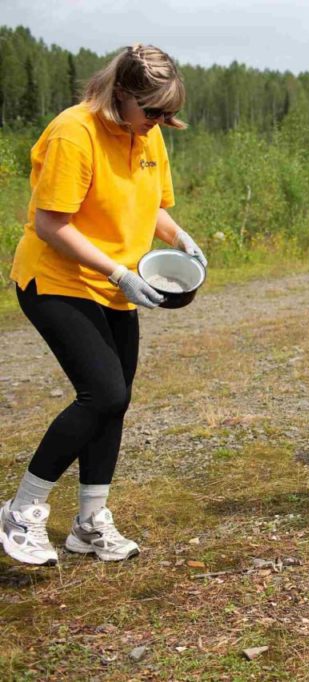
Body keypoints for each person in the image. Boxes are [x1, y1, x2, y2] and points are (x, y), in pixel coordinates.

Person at [1, 44, 206, 565]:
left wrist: (182, 238)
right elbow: (51, 224)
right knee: (102, 393)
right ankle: (21, 512)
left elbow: (152, 205)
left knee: (117, 400)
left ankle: (90, 523)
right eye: (154, 111)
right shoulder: (76, 132)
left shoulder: (148, 133)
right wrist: (117, 271)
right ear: (121, 95)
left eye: (168, 113)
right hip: (57, 280)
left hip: (117, 286)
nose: (161, 121)